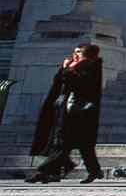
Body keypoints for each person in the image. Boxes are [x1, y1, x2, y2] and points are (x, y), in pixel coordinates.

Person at [29, 43, 104, 184]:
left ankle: (44, 172)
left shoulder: (91, 66)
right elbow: (59, 81)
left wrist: (68, 69)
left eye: (78, 52)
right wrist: (65, 68)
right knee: (80, 145)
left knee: (64, 143)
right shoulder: (76, 65)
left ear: (87, 54)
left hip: (80, 113)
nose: (75, 54)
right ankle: (91, 170)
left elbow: (79, 84)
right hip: (66, 109)